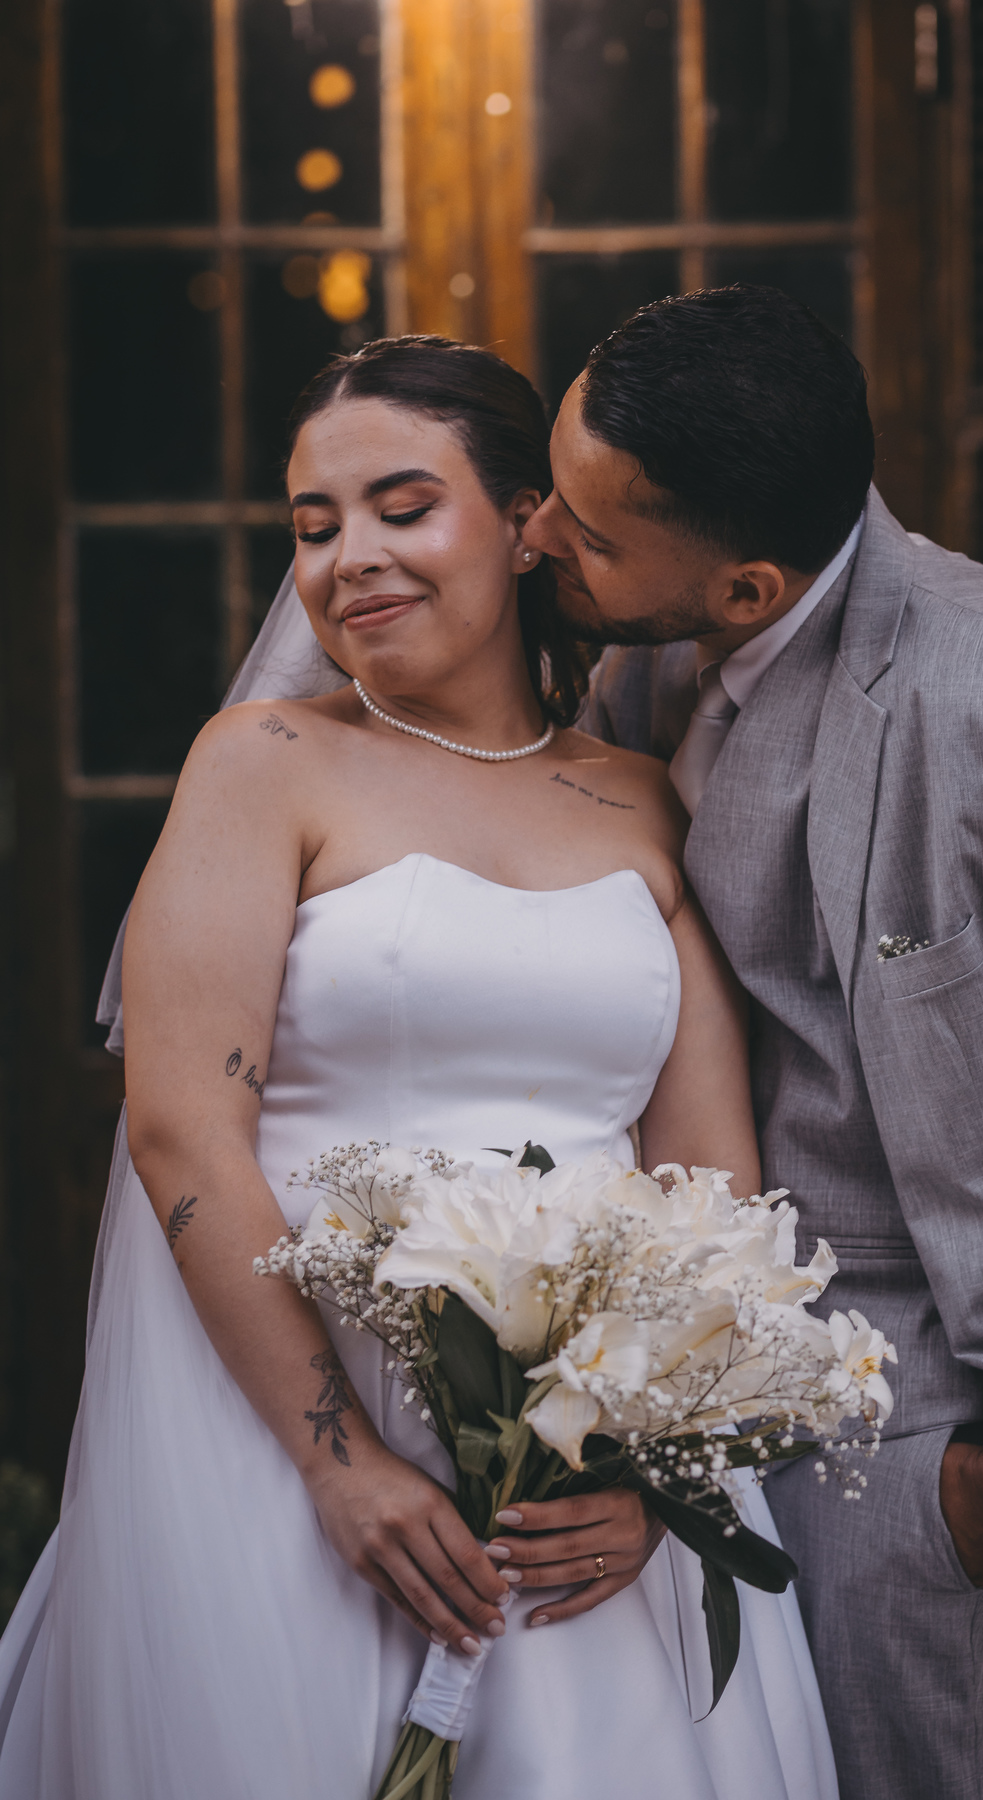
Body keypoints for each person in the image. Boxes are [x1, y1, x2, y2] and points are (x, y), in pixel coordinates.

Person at [0, 337, 837, 1800]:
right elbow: (182, 1131)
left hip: (572, 1472)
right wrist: (340, 1465)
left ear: (525, 527)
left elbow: (710, 1183)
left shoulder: (644, 802)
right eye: (314, 527)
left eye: (401, 508)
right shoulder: (262, 762)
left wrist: (647, 1473)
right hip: (286, 1433)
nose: (349, 561)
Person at [524, 283, 983, 1800]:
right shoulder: (634, 646)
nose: (535, 537)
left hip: (908, 1449)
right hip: (647, 1425)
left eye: (587, 531)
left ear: (748, 588)